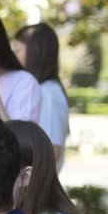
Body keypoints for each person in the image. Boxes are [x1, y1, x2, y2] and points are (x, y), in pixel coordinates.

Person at [13, 22, 69, 171]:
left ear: (35, 53)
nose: (12, 56)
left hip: (39, 188)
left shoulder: (48, 93)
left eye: (17, 50)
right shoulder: (42, 90)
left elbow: (54, 150)